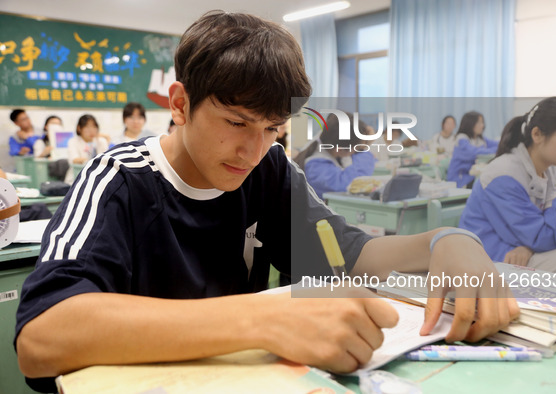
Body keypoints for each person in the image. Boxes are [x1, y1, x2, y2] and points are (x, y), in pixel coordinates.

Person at [15, 12, 518, 393]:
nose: (254, 151)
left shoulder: (270, 168)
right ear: (180, 104)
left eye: (274, 129)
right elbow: (40, 337)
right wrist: (261, 319)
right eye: (237, 123)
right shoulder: (119, 180)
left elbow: (347, 253)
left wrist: (446, 241)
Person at [459, 97, 556, 278]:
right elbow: (544, 237)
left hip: (532, 254)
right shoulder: (503, 175)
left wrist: (530, 246)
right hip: (496, 262)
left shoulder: (550, 171)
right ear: (537, 135)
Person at [298, 113, 375, 198]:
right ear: (340, 149)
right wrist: (363, 149)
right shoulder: (315, 167)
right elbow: (355, 183)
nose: (355, 152)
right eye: (357, 147)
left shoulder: (330, 154)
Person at [447, 111, 498, 188]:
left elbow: (498, 144)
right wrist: (496, 150)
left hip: (472, 176)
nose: (482, 126)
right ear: (471, 124)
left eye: (482, 123)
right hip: (460, 179)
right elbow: (474, 152)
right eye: (479, 123)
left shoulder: (480, 139)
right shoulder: (461, 139)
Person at [65, 115, 108, 183]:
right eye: (87, 127)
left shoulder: (101, 141)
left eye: (94, 126)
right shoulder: (73, 141)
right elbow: (75, 160)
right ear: (79, 128)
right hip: (77, 177)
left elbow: (106, 159)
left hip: (98, 178)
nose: (91, 130)